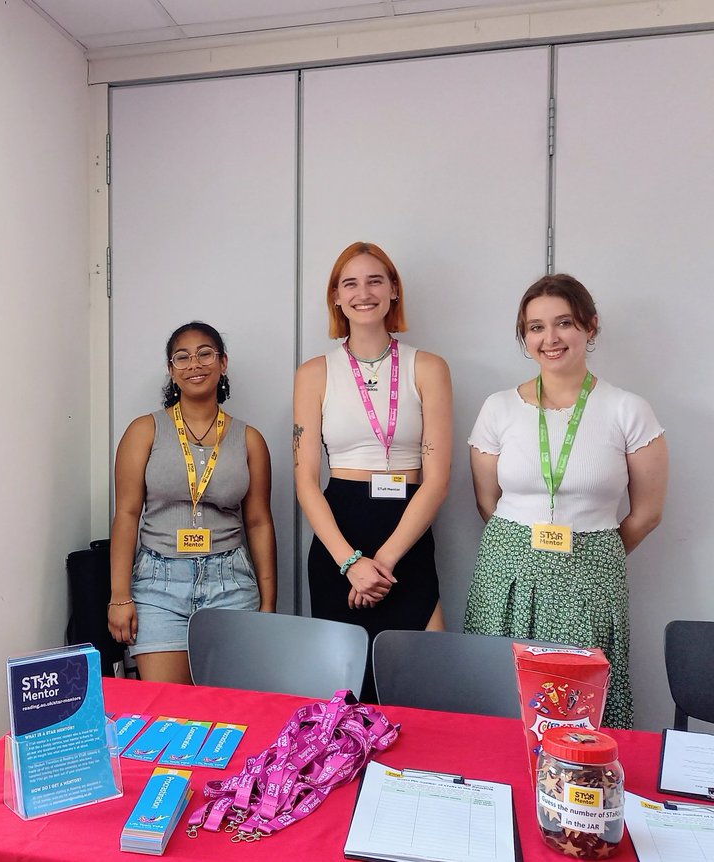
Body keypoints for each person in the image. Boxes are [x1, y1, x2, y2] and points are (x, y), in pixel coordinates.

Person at [464, 274, 667, 729]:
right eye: (536, 327)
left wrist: (593, 553)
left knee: (578, 708)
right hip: (506, 573)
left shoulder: (628, 409)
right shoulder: (498, 407)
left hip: (590, 577)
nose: (550, 339)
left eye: (564, 323)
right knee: (498, 697)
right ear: (525, 336)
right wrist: (523, 549)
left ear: (589, 326)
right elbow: (487, 502)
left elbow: (648, 513)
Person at [293, 242, 452, 701]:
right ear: (336, 297)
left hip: (407, 537)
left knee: (422, 690)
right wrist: (351, 563)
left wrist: (381, 564)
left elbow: (437, 479)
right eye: (350, 284)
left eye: (375, 281)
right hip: (339, 539)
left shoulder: (429, 368)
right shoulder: (314, 373)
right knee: (344, 700)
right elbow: (306, 482)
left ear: (394, 290)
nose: (363, 293)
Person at [108, 321, 276, 684]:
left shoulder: (249, 439)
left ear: (223, 362)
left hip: (231, 583)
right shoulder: (144, 431)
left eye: (205, 354)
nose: (194, 364)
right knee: (168, 708)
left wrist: (268, 605)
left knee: (230, 708)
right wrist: (119, 597)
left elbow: (260, 523)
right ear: (171, 370)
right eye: (182, 357)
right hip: (159, 584)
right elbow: (126, 515)